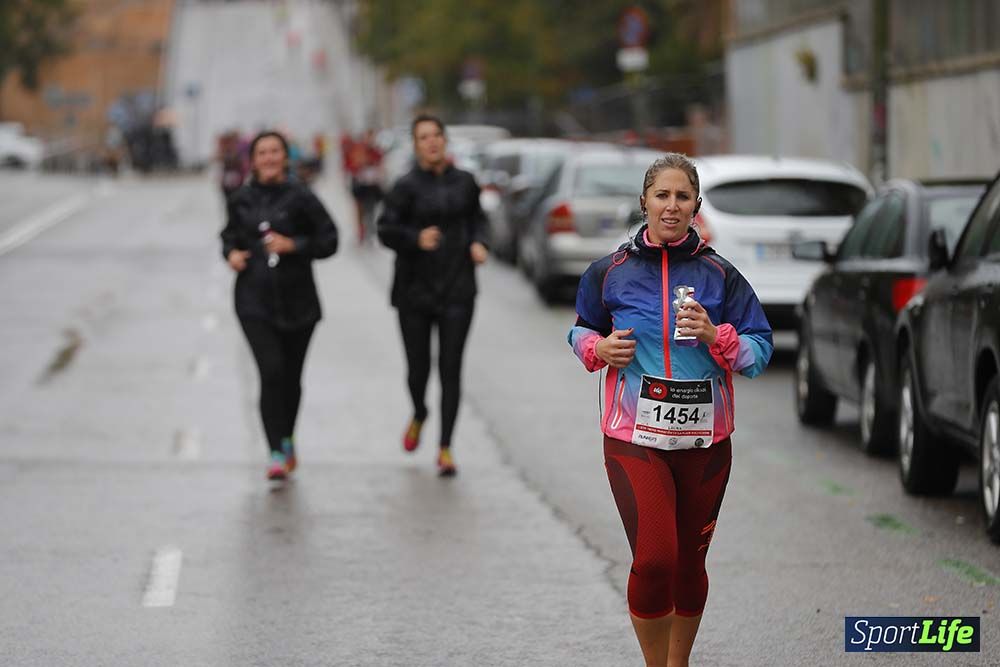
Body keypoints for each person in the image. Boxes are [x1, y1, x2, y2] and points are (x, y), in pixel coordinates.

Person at [568, 153, 772, 666]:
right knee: (656, 558)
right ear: (645, 202)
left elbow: (760, 351)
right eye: (662, 195)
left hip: (705, 444)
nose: (672, 206)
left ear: (696, 204)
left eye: (683, 196)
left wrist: (718, 336)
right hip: (634, 437)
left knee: (689, 566)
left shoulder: (720, 275)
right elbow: (581, 328)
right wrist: (598, 350)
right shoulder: (609, 272)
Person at [220, 130, 339, 480]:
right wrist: (232, 254)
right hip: (254, 300)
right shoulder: (240, 199)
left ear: (285, 158)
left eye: (275, 152)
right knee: (270, 371)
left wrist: (295, 245)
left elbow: (330, 241)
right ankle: (273, 451)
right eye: (263, 153)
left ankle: (287, 435)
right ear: (253, 160)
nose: (269, 158)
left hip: (299, 301)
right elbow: (229, 236)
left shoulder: (302, 197)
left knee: (291, 378)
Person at [377, 114, 489, 476]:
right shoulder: (405, 187)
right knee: (418, 369)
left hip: (458, 288)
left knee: (451, 369)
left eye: (437, 135)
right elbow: (385, 230)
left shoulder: (466, 182)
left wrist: (478, 242)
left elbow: (478, 220)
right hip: (414, 290)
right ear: (415, 145)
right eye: (424, 137)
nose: (432, 142)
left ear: (445, 140)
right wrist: (415, 238)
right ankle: (420, 412)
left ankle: (445, 447)